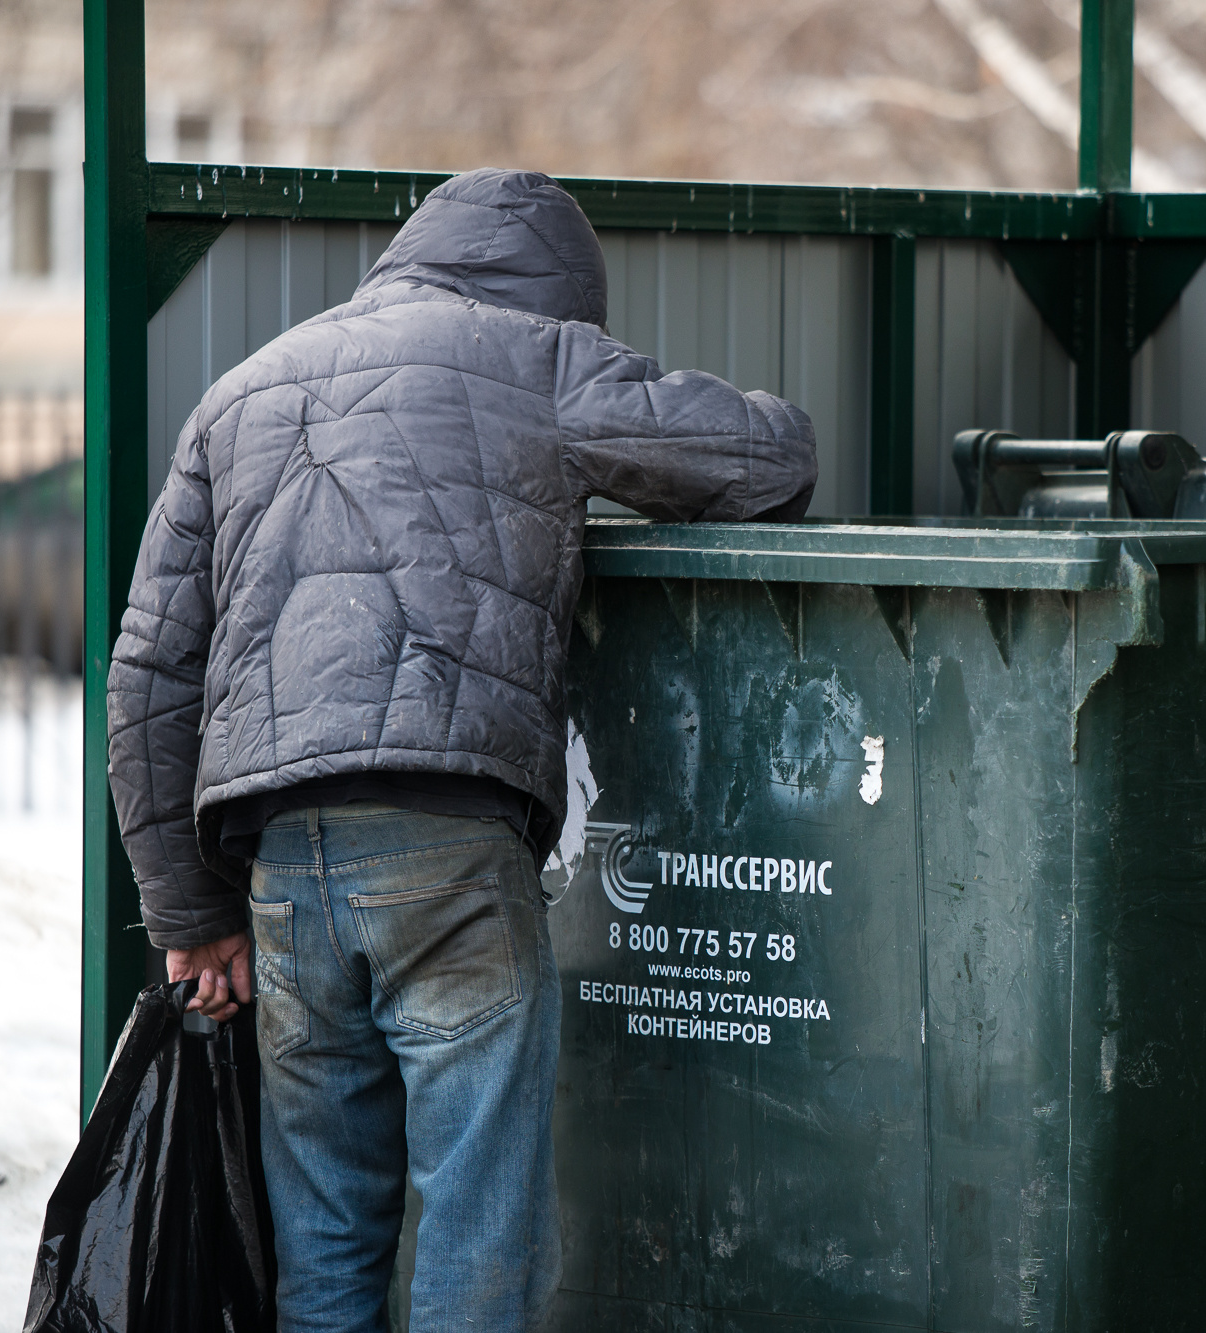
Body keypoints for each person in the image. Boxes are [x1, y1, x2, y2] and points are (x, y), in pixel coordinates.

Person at [107, 168, 816, 1332]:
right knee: (478, 1235)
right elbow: (764, 459)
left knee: (326, 1244)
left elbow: (147, 673)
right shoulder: (537, 357)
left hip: (283, 865)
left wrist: (192, 917)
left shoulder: (240, 393)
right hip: (448, 843)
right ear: (557, 291)